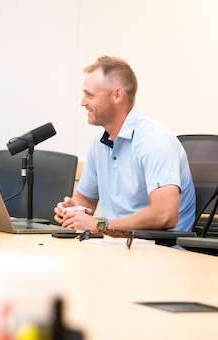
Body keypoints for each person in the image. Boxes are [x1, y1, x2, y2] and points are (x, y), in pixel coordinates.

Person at [54, 56, 195, 232]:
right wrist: (73, 209)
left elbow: (165, 215)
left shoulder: (155, 141)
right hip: (117, 244)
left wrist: (101, 226)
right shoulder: (100, 141)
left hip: (160, 250)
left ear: (117, 95)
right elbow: (87, 200)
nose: (83, 103)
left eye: (89, 95)